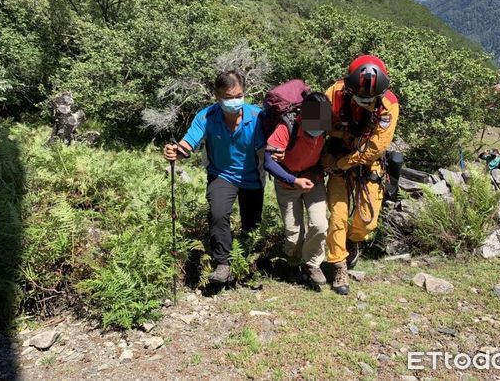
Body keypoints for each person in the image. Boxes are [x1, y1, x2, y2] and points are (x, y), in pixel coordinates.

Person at [163, 70, 265, 284]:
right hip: (221, 174)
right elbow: (188, 143)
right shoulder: (206, 116)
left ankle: (247, 263)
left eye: (238, 95)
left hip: (252, 176)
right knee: (218, 213)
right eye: (228, 97)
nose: (234, 101)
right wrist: (176, 151)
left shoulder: (258, 117)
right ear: (217, 97)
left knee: (251, 223)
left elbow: (271, 148)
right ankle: (223, 263)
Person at [323, 55, 399, 295]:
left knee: (367, 220)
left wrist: (345, 163)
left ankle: (352, 241)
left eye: (370, 98)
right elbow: (319, 129)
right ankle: (338, 264)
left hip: (366, 164)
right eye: (361, 97)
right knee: (337, 214)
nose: (365, 102)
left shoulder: (389, 105)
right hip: (336, 158)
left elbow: (375, 147)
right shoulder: (333, 94)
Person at [263, 92, 332, 289]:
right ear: (303, 116)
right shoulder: (287, 127)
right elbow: (268, 162)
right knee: (294, 233)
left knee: (319, 225)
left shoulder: (324, 124)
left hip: (313, 180)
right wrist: (294, 180)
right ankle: (292, 263)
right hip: (288, 182)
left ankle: (311, 264)